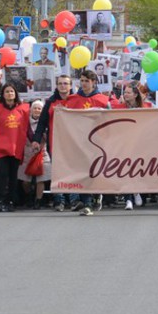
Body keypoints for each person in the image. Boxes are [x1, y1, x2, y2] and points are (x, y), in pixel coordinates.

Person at [63, 70, 110, 215]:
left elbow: (110, 120)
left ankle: (95, 195)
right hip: (79, 141)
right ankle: (86, 203)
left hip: (97, 142)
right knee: (82, 171)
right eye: (82, 80)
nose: (83, 84)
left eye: (86, 81)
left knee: (94, 171)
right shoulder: (72, 100)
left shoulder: (103, 100)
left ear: (93, 82)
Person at [0, 84, 30, 212]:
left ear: (15, 94)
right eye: (7, 91)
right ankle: (1, 200)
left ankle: (11, 200)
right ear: (3, 95)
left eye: (11, 91)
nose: (10, 93)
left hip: (16, 146)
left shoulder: (23, 109)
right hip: (2, 147)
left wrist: (35, 141)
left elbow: (27, 129)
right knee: (3, 174)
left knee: (13, 175)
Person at [31, 74, 74, 212]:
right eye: (60, 83)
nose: (63, 86)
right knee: (57, 172)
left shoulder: (76, 100)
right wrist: (36, 140)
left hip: (74, 142)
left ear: (70, 86)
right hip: (55, 142)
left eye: (65, 83)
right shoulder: (50, 102)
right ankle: (59, 200)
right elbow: (42, 123)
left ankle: (73, 200)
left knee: (73, 171)